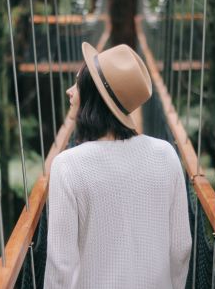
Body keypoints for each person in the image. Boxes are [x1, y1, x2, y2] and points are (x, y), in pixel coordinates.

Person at [44, 42, 192, 289]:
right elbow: (181, 248)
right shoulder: (166, 154)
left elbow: (62, 265)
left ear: (93, 95)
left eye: (78, 83)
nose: (70, 91)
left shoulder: (67, 165)